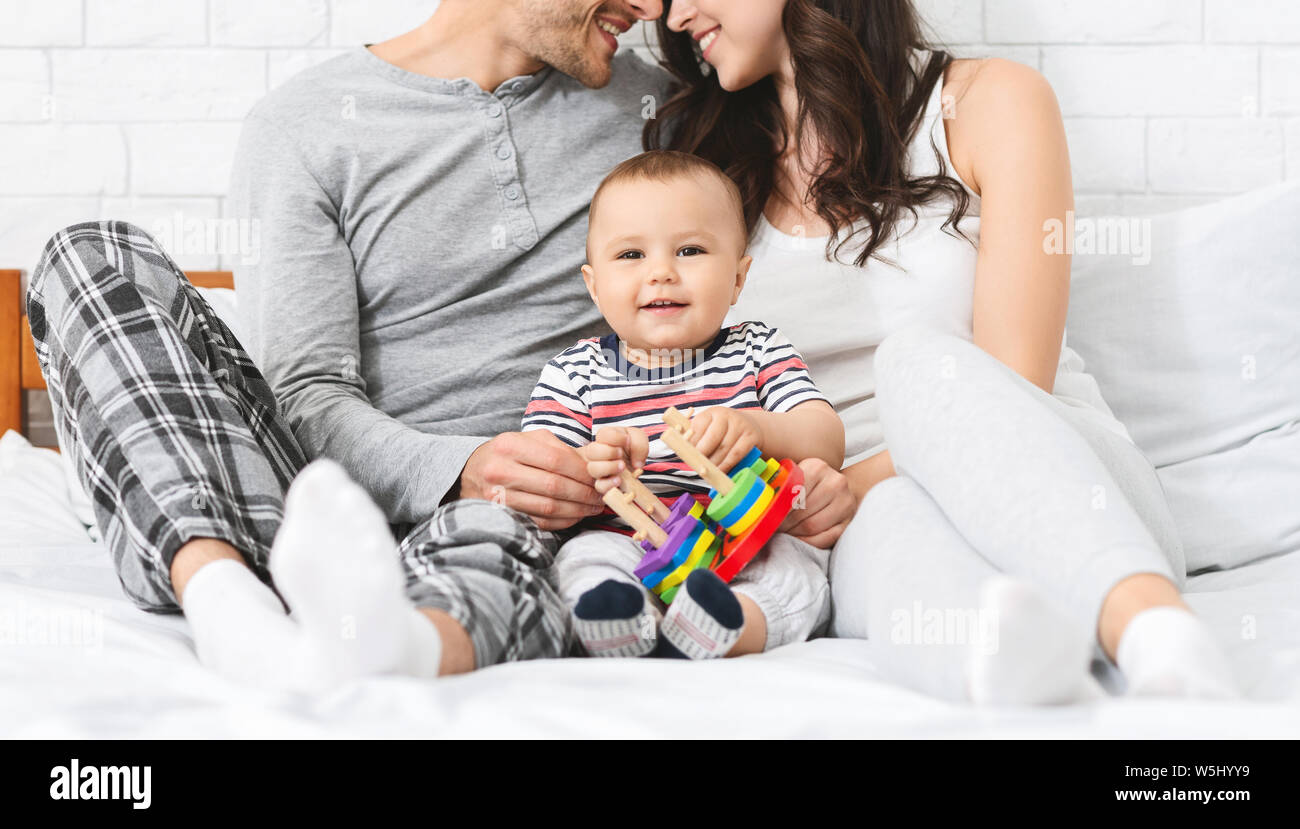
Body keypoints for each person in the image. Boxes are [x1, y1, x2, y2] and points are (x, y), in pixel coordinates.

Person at [27, 0, 694, 691]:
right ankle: (226, 601)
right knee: (89, 255)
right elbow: (307, 395)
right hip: (314, 502)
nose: (653, 8)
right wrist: (459, 463)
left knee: (514, 555)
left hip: (528, 519)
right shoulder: (303, 125)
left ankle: (390, 637)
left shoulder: (662, 115)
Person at [649, 0, 1239, 702]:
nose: (676, 13)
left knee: (918, 362)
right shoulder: (702, 168)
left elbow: (1016, 376)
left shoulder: (990, 102)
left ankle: (1157, 633)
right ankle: (1019, 677)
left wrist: (834, 485)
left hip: (1065, 479)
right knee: (893, 526)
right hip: (857, 520)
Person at [521, 150, 845, 659]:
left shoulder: (758, 349)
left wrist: (757, 428)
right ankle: (621, 621)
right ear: (594, 287)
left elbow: (827, 438)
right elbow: (539, 473)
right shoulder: (574, 372)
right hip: (631, 540)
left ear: (739, 278)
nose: (661, 273)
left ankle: (727, 629)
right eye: (631, 256)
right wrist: (596, 463)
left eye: (690, 250)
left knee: (798, 573)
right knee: (583, 559)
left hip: (746, 538)